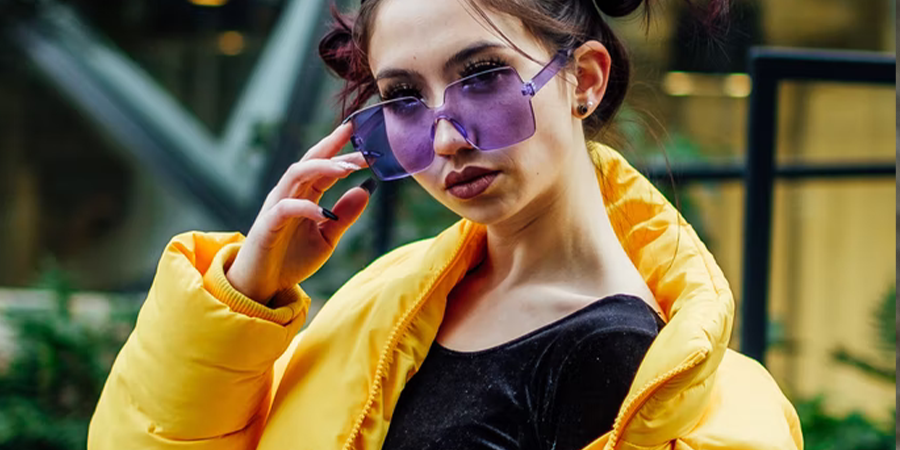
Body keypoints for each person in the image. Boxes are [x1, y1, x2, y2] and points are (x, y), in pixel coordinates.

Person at [88, 0, 803, 449]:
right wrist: (248, 294)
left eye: (483, 76)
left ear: (583, 80)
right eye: (402, 98)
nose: (446, 136)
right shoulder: (395, 294)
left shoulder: (610, 353)